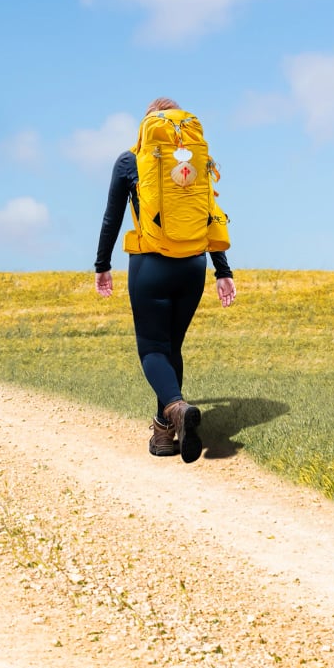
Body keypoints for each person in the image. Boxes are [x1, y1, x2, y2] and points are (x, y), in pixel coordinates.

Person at [94, 96, 236, 462]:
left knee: (152, 349)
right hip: (193, 265)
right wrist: (222, 269)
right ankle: (163, 431)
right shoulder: (197, 159)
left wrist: (102, 265)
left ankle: (174, 407)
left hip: (150, 265)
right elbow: (210, 212)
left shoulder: (131, 160)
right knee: (172, 347)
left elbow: (112, 217)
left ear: (146, 126)